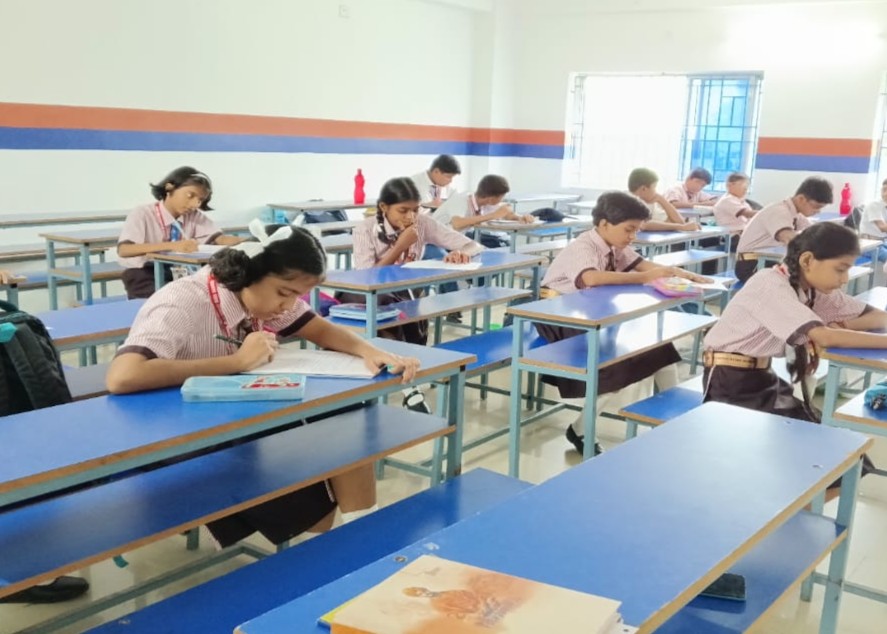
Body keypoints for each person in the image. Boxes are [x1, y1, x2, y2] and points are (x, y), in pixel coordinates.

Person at [106, 220, 419, 548]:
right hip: (180, 433)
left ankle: (366, 541)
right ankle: (319, 556)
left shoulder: (260, 297)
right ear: (247, 273)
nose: (289, 306)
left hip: (238, 416)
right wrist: (236, 363)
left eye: (296, 295)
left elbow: (318, 328)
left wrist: (371, 351)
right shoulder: (182, 303)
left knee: (347, 423)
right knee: (312, 503)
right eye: (284, 293)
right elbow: (123, 375)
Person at [702, 222, 880, 491]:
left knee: (851, 461)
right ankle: (776, 507)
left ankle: (789, 507)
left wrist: (842, 325)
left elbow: (876, 317)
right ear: (807, 260)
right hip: (730, 384)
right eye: (840, 269)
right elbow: (824, 337)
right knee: (817, 460)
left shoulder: (811, 290)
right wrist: (833, 331)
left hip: (764, 379)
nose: (845, 279)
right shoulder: (769, 284)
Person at [538, 192, 710, 455]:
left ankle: (674, 419)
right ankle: (581, 428)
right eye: (629, 229)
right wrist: (647, 278)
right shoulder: (584, 246)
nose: (633, 236)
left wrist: (677, 273)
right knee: (621, 362)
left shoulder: (615, 244)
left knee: (659, 350)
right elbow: (591, 278)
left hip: (594, 314)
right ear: (604, 224)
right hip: (560, 317)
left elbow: (642, 265)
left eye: (637, 230)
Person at [346, 177, 484, 413]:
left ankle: (407, 379)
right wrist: (400, 246)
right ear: (384, 207)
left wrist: (460, 254)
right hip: (365, 296)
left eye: (415, 210)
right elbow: (367, 277)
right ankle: (410, 389)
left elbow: (472, 245)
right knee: (386, 310)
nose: (410, 216)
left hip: (407, 294)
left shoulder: (422, 223)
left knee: (402, 311)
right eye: (403, 210)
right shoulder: (365, 229)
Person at [117, 166, 244, 299]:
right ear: (169, 188)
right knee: (165, 301)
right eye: (190, 195)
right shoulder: (142, 213)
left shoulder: (194, 216)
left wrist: (247, 241)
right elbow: (124, 250)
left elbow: (219, 239)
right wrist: (173, 246)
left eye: (200, 200)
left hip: (180, 271)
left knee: (214, 293)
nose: (195, 204)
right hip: (144, 272)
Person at [734, 176, 833, 284]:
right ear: (801, 199)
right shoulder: (779, 211)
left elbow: (813, 232)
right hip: (751, 265)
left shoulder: (795, 214)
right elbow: (789, 238)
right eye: (816, 207)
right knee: (804, 279)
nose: (818, 211)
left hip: (766, 261)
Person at [431, 175, 534, 248]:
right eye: (501, 197)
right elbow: (457, 223)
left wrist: (519, 217)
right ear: (491, 198)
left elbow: (506, 212)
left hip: (451, 241)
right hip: (432, 242)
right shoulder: (462, 199)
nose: (502, 199)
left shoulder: (485, 202)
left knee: (487, 252)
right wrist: (492, 215)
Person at [627, 168, 701, 232]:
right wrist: (681, 227)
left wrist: (662, 200)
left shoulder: (650, 203)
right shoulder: (628, 199)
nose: (656, 191)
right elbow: (643, 224)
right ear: (644, 189)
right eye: (654, 187)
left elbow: (679, 222)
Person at [858, 178, 887, 262]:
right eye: (884, 190)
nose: (885, 193)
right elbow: (883, 228)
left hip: (882, 242)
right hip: (869, 244)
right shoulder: (874, 205)